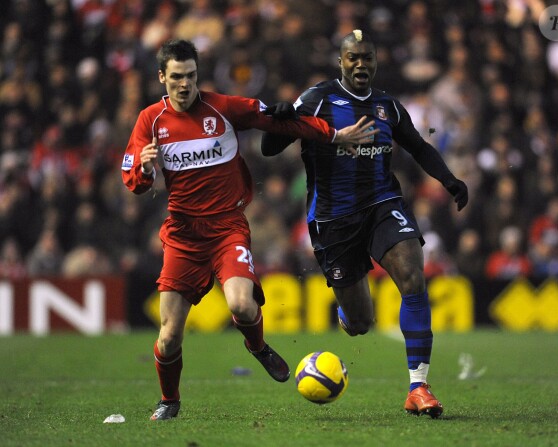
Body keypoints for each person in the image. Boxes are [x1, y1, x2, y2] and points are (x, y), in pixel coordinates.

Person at [121, 39, 377, 421]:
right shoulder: (150, 121)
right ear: (162, 77)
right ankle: (169, 400)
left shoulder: (221, 107)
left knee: (241, 303)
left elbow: (276, 119)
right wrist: (143, 168)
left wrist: (335, 135)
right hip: (183, 235)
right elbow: (134, 181)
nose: (184, 84)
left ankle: (257, 347)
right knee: (169, 335)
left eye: (190, 75)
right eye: (176, 77)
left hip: (227, 228)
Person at [261, 30, 469, 419]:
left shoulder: (387, 106)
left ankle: (418, 386)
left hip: (381, 204)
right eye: (353, 58)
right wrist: (281, 120)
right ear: (341, 62)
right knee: (359, 323)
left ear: (375, 61)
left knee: (412, 274)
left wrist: (449, 179)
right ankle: (350, 316)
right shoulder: (316, 100)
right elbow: (269, 149)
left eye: (367, 58)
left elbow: (418, 146)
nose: (360, 65)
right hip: (333, 220)